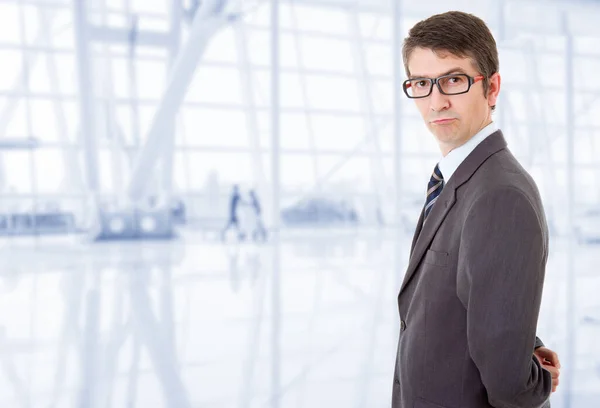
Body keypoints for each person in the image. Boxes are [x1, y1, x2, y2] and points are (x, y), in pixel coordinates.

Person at [392, 11, 561, 408]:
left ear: (492, 88)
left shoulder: (500, 195)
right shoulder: (460, 178)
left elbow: (508, 385)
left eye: (453, 79)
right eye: (421, 83)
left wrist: (536, 379)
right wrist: (526, 345)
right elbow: (473, 301)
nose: (436, 101)